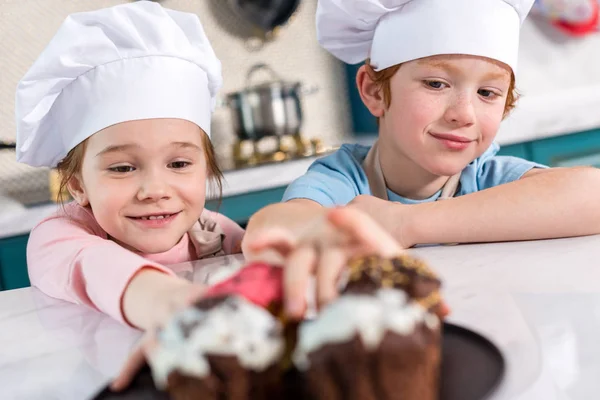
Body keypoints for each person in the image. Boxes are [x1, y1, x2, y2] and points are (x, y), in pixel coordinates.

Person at [15, 1, 405, 390]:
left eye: (180, 164)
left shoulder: (213, 234)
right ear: (78, 184)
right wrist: (182, 308)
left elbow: (265, 277)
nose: (155, 190)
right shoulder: (59, 238)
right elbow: (100, 269)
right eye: (122, 168)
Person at [244, 0, 600, 319]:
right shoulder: (344, 180)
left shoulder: (487, 177)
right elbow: (271, 229)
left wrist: (405, 223)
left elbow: (592, 194)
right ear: (373, 91)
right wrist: (317, 231)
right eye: (435, 84)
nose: (464, 114)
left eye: (487, 93)